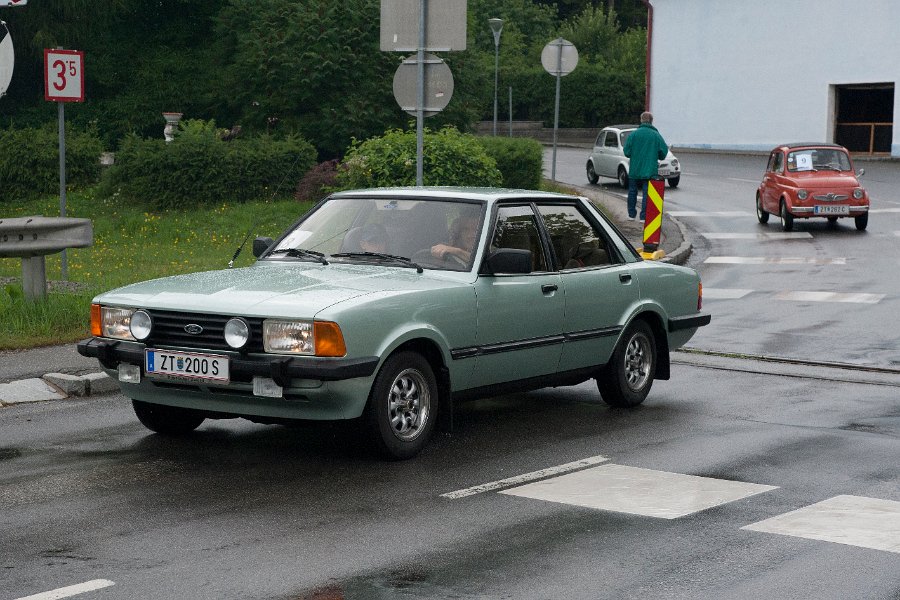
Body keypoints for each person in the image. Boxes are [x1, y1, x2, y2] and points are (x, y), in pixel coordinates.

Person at [623, 111, 669, 222]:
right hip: (650, 170)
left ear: (641, 120)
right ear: (651, 121)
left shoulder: (633, 134)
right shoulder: (656, 135)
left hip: (635, 169)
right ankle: (643, 217)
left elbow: (627, 152)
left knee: (632, 191)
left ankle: (631, 215)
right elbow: (663, 153)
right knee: (647, 194)